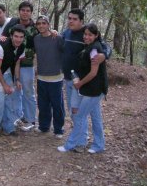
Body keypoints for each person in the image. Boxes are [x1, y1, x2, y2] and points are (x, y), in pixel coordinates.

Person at [58, 23, 108, 153]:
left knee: (79, 116)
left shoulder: (94, 50)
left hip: (94, 90)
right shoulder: (89, 47)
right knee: (96, 117)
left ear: (96, 36)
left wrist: (79, 84)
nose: (86, 37)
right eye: (85, 34)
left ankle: (70, 144)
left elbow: (93, 73)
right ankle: (99, 145)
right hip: (90, 88)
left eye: (90, 35)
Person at [0, 25, 26, 136]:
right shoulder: (0, 47)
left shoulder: (21, 47)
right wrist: (4, 85)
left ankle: (8, 126)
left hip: (6, 72)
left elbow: (17, 63)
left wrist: (17, 79)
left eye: (21, 37)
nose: (18, 39)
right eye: (16, 36)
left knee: (10, 98)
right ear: (11, 36)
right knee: (0, 99)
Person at [1, 1, 38, 130]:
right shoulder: (12, 23)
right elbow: (3, 38)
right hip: (11, 64)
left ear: (31, 13)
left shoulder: (35, 27)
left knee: (28, 91)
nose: (25, 12)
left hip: (27, 64)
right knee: (15, 91)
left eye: (28, 10)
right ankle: (17, 117)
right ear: (19, 11)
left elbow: (42, 40)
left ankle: (30, 120)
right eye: (23, 10)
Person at [33, 15, 65, 138]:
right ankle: (44, 126)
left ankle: (58, 129)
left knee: (57, 104)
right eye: (39, 23)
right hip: (41, 77)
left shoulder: (57, 38)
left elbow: (65, 52)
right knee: (43, 104)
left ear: (48, 24)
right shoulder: (36, 39)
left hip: (56, 77)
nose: (41, 26)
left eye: (44, 23)